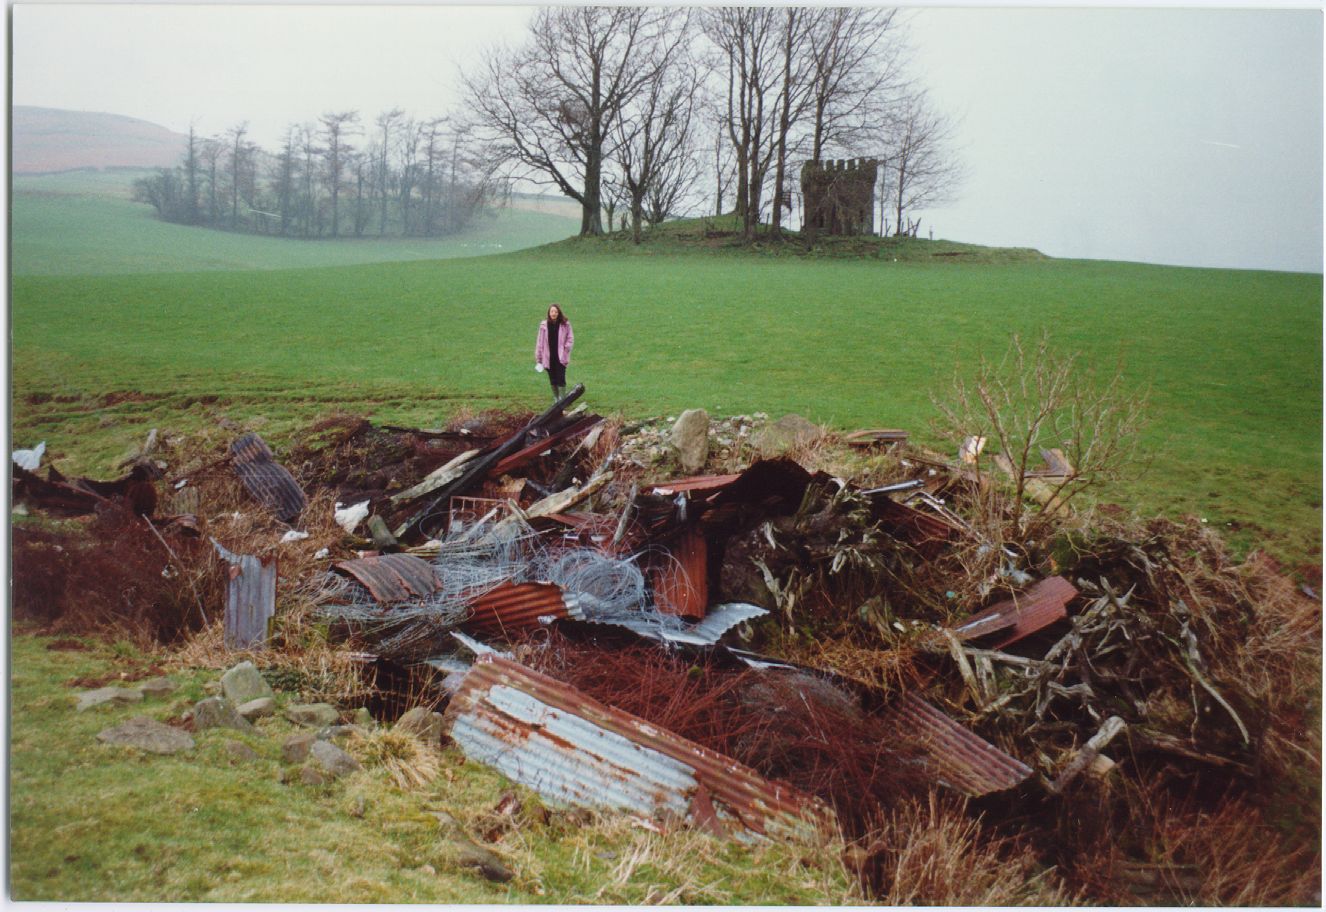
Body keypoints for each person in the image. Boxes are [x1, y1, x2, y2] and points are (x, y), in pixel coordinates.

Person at [534, 303, 574, 402]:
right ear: (549, 313)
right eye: (552, 311)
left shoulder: (565, 324)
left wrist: (566, 349)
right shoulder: (543, 325)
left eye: (555, 312)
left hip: (560, 357)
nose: (553, 313)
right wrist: (539, 358)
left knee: (561, 378)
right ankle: (556, 399)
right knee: (553, 379)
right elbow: (540, 341)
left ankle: (562, 401)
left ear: (558, 313)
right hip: (548, 357)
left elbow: (570, 338)